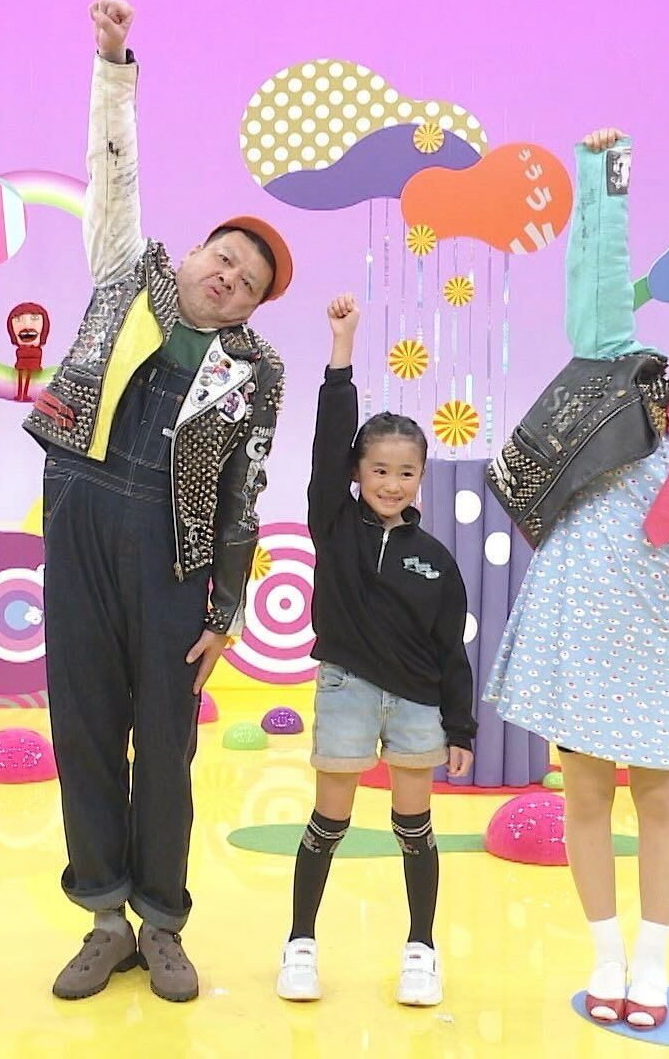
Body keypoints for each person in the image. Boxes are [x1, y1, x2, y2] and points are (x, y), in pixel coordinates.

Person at [23, 0, 292, 1004]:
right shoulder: (123, 274)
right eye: (224, 257)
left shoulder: (256, 370)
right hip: (80, 519)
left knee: (166, 750)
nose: (229, 279)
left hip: (175, 561)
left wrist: (224, 611)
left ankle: (164, 924)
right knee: (85, 729)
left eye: (248, 282)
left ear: (253, 307)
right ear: (192, 254)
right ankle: (104, 920)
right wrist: (114, 67)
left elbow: (244, 494)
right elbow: (113, 172)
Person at [484, 127, 669, 1030]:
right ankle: (604, 954)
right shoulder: (619, 376)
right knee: (584, 793)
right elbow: (599, 280)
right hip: (576, 614)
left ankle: (653, 961)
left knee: (659, 794)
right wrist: (605, 174)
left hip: (659, 636)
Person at [276, 293, 475, 1007]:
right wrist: (342, 351)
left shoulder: (436, 560)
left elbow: (451, 651)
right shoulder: (333, 525)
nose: (392, 483)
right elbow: (329, 442)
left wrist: (461, 728)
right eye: (379, 470)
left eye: (406, 472)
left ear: (421, 477)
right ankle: (300, 944)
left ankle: (421, 949)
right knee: (329, 821)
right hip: (348, 691)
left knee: (414, 828)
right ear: (358, 473)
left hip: (418, 704)